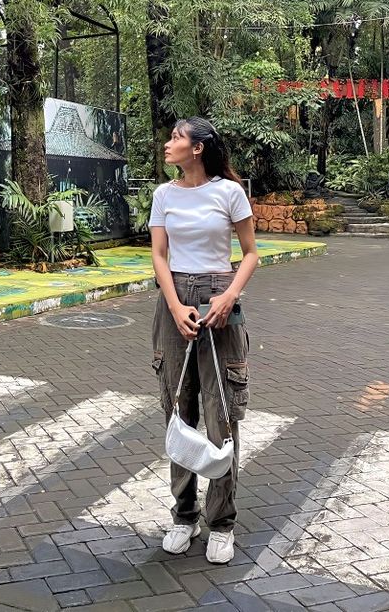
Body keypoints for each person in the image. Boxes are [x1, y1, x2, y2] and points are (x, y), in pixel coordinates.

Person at [149, 117, 258, 564]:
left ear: (198, 148)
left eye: (177, 137)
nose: (169, 143)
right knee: (178, 410)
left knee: (222, 414)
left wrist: (229, 296)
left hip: (219, 301)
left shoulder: (229, 192)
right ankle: (184, 515)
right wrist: (174, 306)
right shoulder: (163, 195)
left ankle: (222, 522)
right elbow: (158, 255)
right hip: (173, 299)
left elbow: (250, 253)